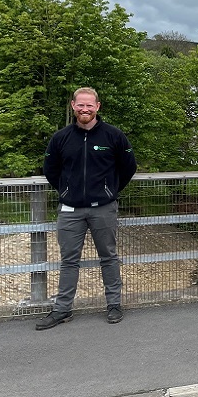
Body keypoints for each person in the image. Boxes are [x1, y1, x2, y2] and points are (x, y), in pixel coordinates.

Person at [37, 87, 137, 330]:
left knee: (109, 257)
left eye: (89, 105)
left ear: (97, 107)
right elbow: (50, 169)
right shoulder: (60, 138)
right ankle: (62, 309)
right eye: (80, 105)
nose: (85, 109)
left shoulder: (114, 136)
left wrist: (109, 191)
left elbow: (129, 167)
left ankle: (114, 305)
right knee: (68, 260)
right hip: (70, 210)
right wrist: (66, 192)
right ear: (73, 106)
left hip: (103, 208)